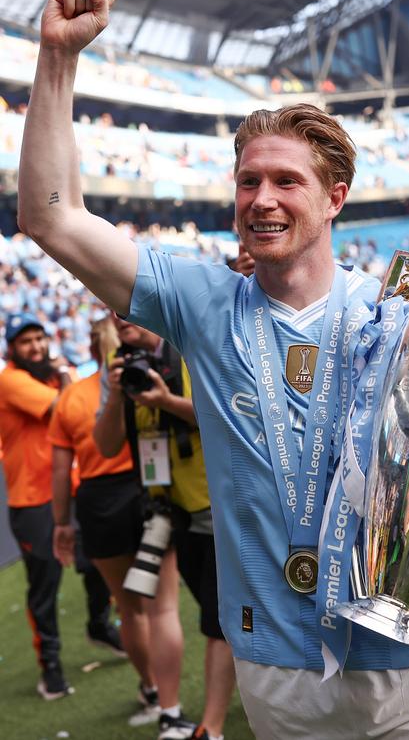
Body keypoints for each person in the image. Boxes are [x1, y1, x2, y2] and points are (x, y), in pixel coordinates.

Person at [17, 0, 409, 738]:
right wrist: (56, 59)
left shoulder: (401, 312)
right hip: (284, 672)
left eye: (285, 181)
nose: (262, 198)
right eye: (248, 180)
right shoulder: (201, 302)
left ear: (335, 198)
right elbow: (51, 217)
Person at [93, 314, 235, 740]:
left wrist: (165, 402)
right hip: (165, 509)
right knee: (182, 609)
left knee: (219, 619)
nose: (118, 322)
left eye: (124, 311)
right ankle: (177, 713)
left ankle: (211, 727)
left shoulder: (192, 346)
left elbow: (229, 418)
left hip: (216, 502)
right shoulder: (119, 365)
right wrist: (119, 395)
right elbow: (105, 445)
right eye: (111, 315)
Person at [49, 315, 166, 727]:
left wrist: (62, 523)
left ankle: (153, 689)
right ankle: (167, 700)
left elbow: (62, 471)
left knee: (131, 609)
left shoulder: (71, 398)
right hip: (150, 487)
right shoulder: (154, 377)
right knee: (160, 608)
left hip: (100, 502)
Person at [0, 311, 123, 700]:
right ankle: (50, 665)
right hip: (33, 500)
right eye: (26, 342)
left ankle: (99, 625)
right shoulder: (10, 379)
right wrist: (68, 376)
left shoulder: (49, 377)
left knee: (99, 564)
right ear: (13, 350)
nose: (36, 347)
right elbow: (65, 408)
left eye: (39, 338)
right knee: (45, 587)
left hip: (71, 491)